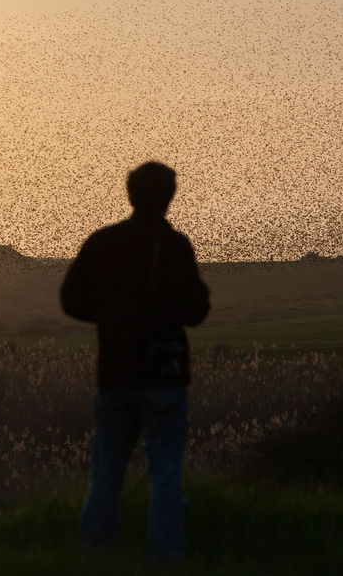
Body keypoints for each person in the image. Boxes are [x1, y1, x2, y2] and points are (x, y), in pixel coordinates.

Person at [60, 161, 210, 563]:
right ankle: (165, 556)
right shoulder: (174, 245)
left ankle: (95, 554)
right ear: (170, 197)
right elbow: (197, 312)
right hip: (164, 375)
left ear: (129, 194)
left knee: (107, 468)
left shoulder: (102, 242)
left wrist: (112, 317)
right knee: (164, 471)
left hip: (115, 374)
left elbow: (70, 301)